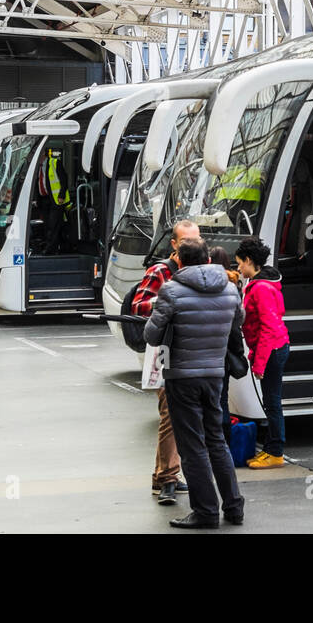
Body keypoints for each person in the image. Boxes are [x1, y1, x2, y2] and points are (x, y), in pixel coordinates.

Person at [144, 238, 246, 529]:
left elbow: (152, 336)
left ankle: (205, 512)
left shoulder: (171, 291)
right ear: (208, 260)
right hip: (214, 375)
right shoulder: (230, 288)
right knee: (216, 440)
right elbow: (238, 320)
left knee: (192, 447)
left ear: (180, 260)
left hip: (182, 377)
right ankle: (234, 507)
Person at [132, 218, 200, 505]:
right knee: (170, 416)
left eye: (196, 240)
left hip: (192, 351)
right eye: (187, 242)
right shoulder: (161, 271)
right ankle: (168, 478)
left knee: (178, 417)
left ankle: (165, 475)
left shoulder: (200, 270)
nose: (193, 246)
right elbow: (138, 305)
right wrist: (169, 302)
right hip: (166, 352)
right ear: (174, 245)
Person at [236, 236, 289, 469]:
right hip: (274, 348)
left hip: (272, 350)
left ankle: (275, 451)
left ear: (249, 261)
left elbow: (269, 327)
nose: (238, 268)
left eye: (240, 263)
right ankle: (272, 449)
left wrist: (259, 363)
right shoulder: (265, 284)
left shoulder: (261, 289)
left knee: (272, 403)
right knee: (271, 402)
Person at [209, 246, 240, 447]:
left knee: (209, 403)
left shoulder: (207, 285)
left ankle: (213, 444)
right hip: (227, 351)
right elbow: (238, 320)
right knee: (222, 399)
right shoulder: (234, 285)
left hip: (207, 351)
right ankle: (225, 445)